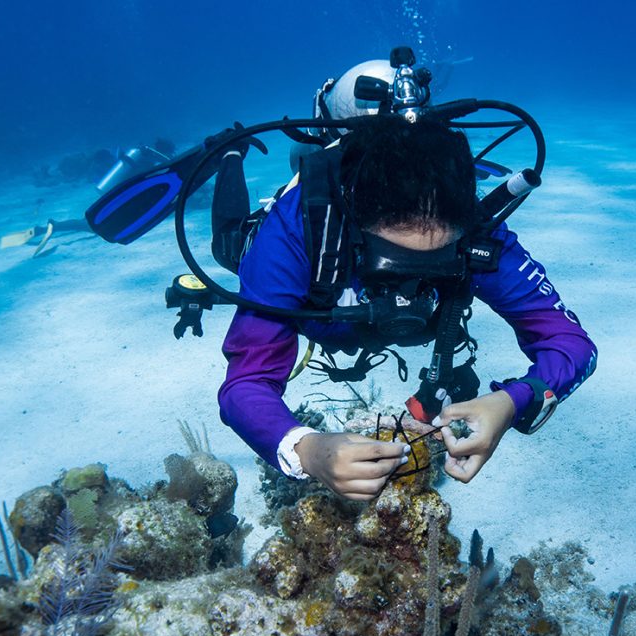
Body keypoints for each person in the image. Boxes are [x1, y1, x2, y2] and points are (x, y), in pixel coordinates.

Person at [217, 109, 597, 501]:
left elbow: (571, 344)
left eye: (434, 265)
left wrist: (512, 402)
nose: (409, 290)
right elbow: (245, 383)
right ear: (354, 228)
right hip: (299, 266)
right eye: (392, 268)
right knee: (227, 245)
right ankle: (229, 152)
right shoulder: (294, 235)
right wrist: (304, 449)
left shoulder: (477, 235)